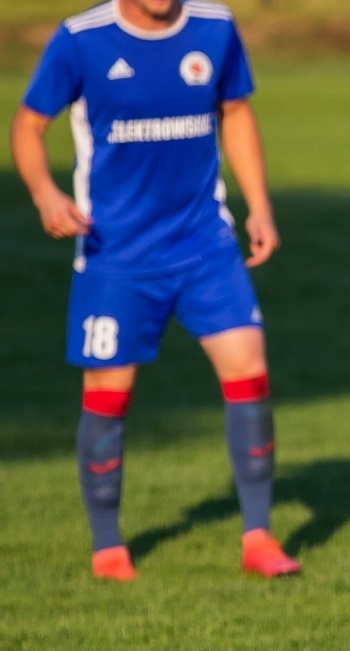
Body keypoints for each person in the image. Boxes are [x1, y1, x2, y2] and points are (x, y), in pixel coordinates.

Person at [10, 0, 299, 581]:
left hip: (204, 246)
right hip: (115, 254)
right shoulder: (80, 39)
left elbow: (236, 112)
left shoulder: (214, 28)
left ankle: (259, 535)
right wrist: (44, 193)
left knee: (248, 369)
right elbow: (28, 125)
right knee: (109, 392)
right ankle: (107, 544)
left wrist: (259, 206)